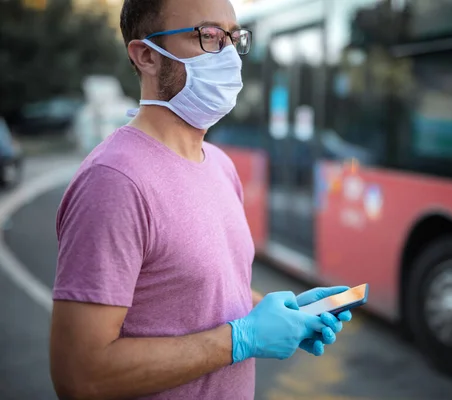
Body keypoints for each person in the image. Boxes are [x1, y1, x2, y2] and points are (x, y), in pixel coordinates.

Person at [49, 0, 352, 399]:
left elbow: (205, 297)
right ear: (146, 57)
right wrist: (241, 340)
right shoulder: (115, 182)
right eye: (209, 36)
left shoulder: (220, 165)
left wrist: (282, 315)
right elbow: (79, 375)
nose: (228, 56)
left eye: (234, 38)